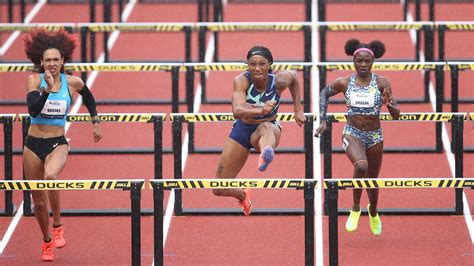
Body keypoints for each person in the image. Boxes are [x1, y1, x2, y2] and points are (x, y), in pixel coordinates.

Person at [23, 28, 102, 261]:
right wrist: (46, 89)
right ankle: (46, 240)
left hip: (57, 142)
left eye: (56, 60)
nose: (52, 64)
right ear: (41, 61)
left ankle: (57, 225)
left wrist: (95, 122)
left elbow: (89, 97)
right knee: (38, 203)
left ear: (63, 61)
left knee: (50, 176)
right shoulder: (34, 80)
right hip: (33, 143)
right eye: (47, 60)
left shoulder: (72, 82)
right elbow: (33, 109)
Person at [315, 39, 400, 235]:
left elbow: (396, 115)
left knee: (372, 178)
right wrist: (323, 120)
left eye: (367, 61)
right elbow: (323, 94)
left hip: (375, 136)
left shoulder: (382, 83)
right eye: (359, 61)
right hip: (352, 133)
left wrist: (390, 105)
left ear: (373, 62)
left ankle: (373, 211)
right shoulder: (344, 82)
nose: (363, 65)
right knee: (361, 166)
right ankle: (355, 208)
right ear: (353, 61)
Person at [212, 46, 306, 216]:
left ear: (270, 64)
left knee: (266, 128)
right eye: (252, 64)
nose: (257, 68)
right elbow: (237, 110)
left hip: (267, 129)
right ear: (247, 65)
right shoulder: (241, 80)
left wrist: (298, 110)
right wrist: (260, 109)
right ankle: (242, 195)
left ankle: (265, 153)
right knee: (218, 188)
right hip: (242, 129)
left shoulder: (279, 80)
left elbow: (294, 77)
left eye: (262, 64)